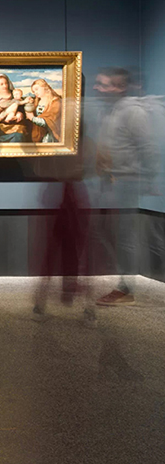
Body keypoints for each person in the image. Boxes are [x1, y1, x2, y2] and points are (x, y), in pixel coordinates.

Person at [93, 68, 160, 306]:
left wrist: (147, 179)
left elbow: (148, 149)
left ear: (120, 87)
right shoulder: (109, 111)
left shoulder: (133, 112)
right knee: (112, 233)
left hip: (127, 183)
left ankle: (126, 289)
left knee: (125, 237)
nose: (96, 88)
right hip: (112, 183)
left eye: (103, 84)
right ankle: (126, 283)